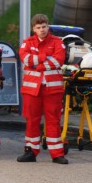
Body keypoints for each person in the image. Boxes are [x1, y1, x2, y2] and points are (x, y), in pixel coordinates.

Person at [17, 14, 68, 164]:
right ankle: (30, 152)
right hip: (32, 90)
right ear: (33, 29)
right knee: (32, 120)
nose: (42, 30)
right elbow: (25, 58)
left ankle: (57, 153)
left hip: (52, 89)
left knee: (53, 120)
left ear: (48, 26)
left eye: (44, 26)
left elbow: (58, 60)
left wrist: (37, 63)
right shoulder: (27, 43)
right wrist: (44, 56)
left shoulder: (58, 42)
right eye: (38, 27)